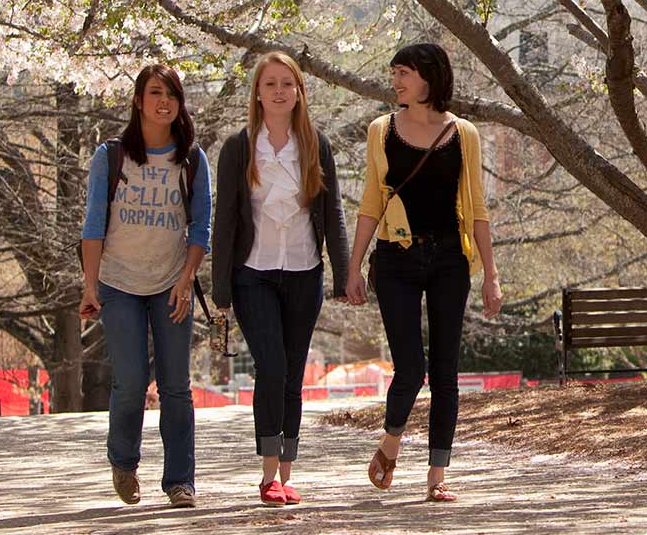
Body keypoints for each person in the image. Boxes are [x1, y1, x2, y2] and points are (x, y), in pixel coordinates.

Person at [346, 43, 502, 502]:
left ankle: (437, 476)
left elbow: (476, 207)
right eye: (394, 72)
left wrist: (491, 273)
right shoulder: (382, 130)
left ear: (430, 78)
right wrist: (353, 266)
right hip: (395, 258)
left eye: (404, 73)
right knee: (411, 367)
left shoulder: (464, 133)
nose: (396, 81)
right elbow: (371, 202)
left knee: (446, 371)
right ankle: (391, 442)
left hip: (450, 258)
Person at [210, 52, 350, 506]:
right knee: (270, 367)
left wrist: (345, 274)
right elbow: (225, 219)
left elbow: (333, 214)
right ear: (257, 91)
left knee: (292, 375)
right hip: (253, 274)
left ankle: (287, 473)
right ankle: (268, 473)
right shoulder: (238, 146)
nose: (278, 91)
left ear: (299, 92)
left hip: (304, 273)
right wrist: (220, 289)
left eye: (287, 84)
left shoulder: (314, 143)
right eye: (270, 84)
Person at [79, 64, 211, 508]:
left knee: (176, 384)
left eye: (172, 94)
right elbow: (93, 223)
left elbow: (200, 227)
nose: (164, 102)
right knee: (131, 381)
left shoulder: (192, 158)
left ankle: (180, 481)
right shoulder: (111, 156)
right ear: (138, 100)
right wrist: (90, 285)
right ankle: (124, 462)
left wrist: (187, 277)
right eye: (155, 92)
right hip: (119, 283)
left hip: (172, 283)